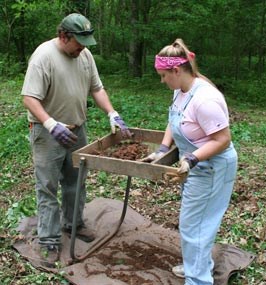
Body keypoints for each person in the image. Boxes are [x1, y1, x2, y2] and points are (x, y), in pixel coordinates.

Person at [21, 13, 131, 266]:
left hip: (77, 130)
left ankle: (73, 224)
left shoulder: (84, 55)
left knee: (76, 181)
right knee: (47, 186)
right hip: (47, 133)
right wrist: (50, 123)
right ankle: (48, 239)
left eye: (85, 43)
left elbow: (96, 88)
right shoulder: (43, 57)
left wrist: (111, 113)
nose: (82, 48)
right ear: (63, 35)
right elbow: (29, 97)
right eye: (79, 43)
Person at [143, 39, 238, 285]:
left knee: (194, 226)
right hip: (195, 166)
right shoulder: (181, 90)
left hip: (212, 167)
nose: (162, 81)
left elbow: (223, 139)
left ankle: (198, 280)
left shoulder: (205, 99)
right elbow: (174, 121)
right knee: (196, 223)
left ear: (177, 70)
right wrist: (162, 149)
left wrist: (192, 158)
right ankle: (197, 265)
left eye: (163, 76)